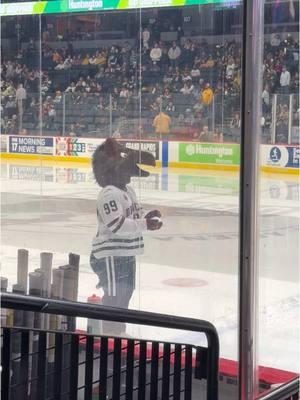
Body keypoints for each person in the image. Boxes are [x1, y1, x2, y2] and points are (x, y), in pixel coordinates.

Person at [90, 138, 163, 335]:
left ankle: (118, 331)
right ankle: (109, 332)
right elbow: (117, 225)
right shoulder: (109, 194)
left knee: (125, 292)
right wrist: (144, 224)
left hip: (126, 253)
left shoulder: (127, 191)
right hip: (111, 255)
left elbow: (132, 217)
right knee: (114, 295)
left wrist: (146, 218)